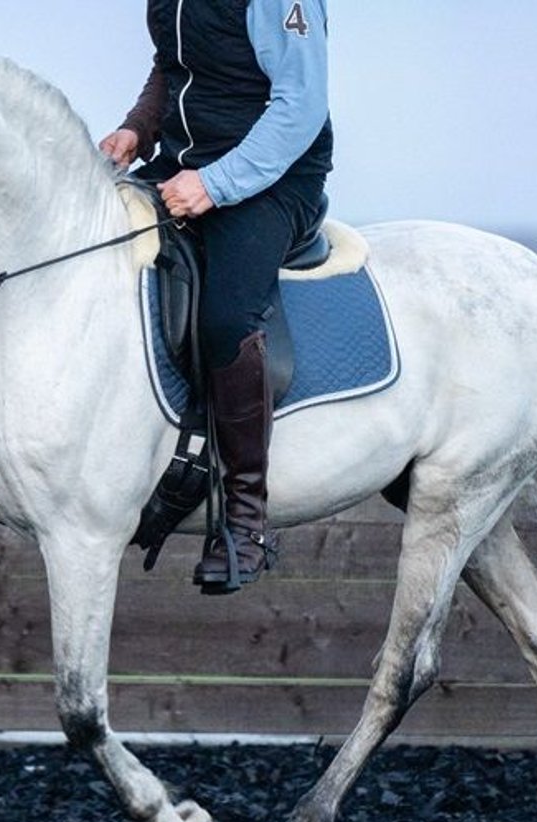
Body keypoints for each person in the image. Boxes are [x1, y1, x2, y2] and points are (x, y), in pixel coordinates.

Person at [101, 0, 333, 591]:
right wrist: (139, 128)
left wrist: (215, 184)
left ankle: (247, 519)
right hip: (181, 169)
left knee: (226, 319)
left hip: (274, 181)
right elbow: (172, 66)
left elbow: (299, 105)